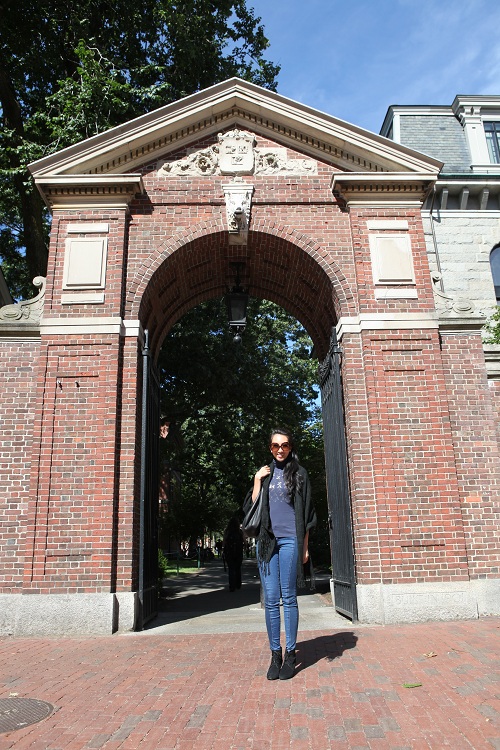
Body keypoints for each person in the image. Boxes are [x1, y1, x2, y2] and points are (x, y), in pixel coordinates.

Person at [244, 428, 317, 681]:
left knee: (289, 597)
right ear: (270, 448)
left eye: (284, 445)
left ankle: (291, 653)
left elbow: (308, 515)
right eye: (275, 446)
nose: (280, 449)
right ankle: (275, 654)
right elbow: (251, 508)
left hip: (290, 541)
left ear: (290, 447)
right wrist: (256, 480)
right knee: (271, 599)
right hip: (266, 543)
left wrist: (305, 547)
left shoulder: (300, 474)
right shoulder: (264, 475)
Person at [222, 515, 244, 592]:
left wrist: (223, 549)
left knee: (231, 569)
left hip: (229, 552)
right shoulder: (240, 532)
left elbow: (224, 541)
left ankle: (232, 585)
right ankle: (238, 584)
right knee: (238, 568)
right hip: (238, 552)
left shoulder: (227, 531)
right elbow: (244, 541)